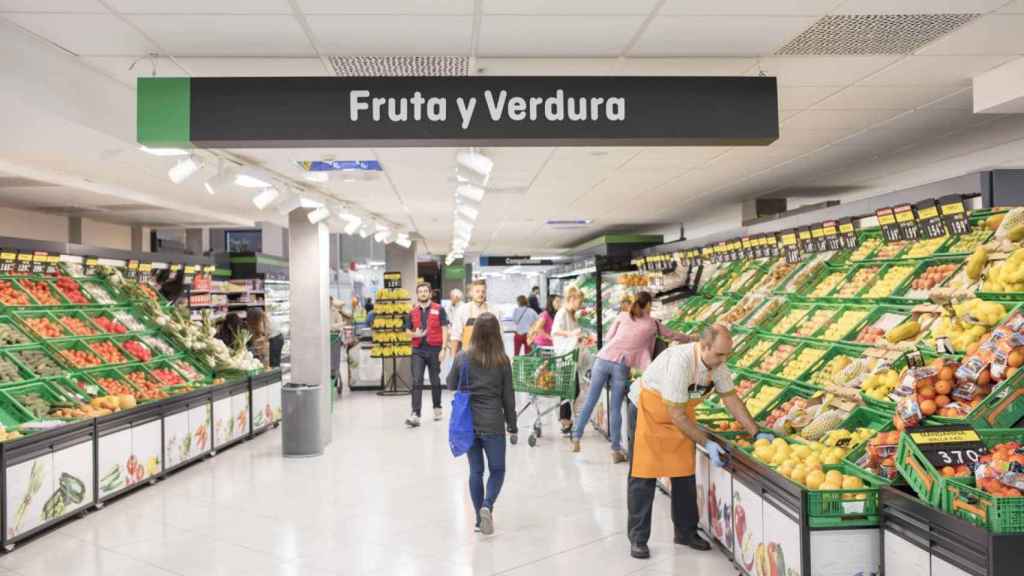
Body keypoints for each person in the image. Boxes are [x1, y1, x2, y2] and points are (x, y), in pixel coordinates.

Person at [626, 324, 769, 560]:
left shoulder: (717, 365)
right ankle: (638, 539)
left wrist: (755, 432)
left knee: (684, 474)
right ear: (704, 346)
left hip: (679, 414)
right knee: (643, 476)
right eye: (719, 354)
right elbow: (676, 415)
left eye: (727, 354)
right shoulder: (680, 362)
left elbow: (730, 398)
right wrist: (707, 442)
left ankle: (686, 532)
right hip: (649, 412)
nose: (724, 359)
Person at [571, 291, 692, 461]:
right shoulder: (653, 325)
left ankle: (576, 437)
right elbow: (672, 335)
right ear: (648, 305)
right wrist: (691, 338)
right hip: (621, 365)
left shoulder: (622, 316)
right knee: (615, 408)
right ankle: (615, 451)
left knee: (590, 400)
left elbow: (608, 337)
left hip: (603, 359)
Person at [446, 313, 517, 536]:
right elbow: (508, 397)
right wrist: (512, 426)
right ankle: (487, 505)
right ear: (497, 334)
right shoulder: (502, 361)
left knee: (476, 471)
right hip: (493, 422)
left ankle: (479, 520)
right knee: (497, 470)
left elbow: (449, 384)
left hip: (468, 424)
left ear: (474, 332)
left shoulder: (463, 357)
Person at [405, 282, 450, 427]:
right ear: (417, 294)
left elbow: (445, 329)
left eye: (426, 291)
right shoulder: (412, 312)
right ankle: (416, 414)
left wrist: (444, 348)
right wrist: (414, 334)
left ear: (430, 294)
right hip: (417, 350)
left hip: (434, 349)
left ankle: (437, 407)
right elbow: (406, 331)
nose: (423, 293)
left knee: (434, 380)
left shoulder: (439, 309)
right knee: (417, 380)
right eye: (420, 291)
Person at [552, 286, 585, 434]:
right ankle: (565, 421)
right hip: (564, 356)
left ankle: (566, 420)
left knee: (571, 389)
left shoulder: (571, 313)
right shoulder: (562, 313)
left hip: (571, 356)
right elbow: (555, 331)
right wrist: (571, 333)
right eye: (579, 301)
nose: (580, 304)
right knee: (569, 389)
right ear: (572, 299)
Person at [450, 280, 489, 354]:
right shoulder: (462, 310)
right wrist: (454, 358)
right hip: (468, 355)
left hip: (488, 355)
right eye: (477, 291)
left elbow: (499, 335)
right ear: (471, 293)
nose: (481, 294)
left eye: (483, 291)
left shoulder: (493, 311)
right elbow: (455, 335)